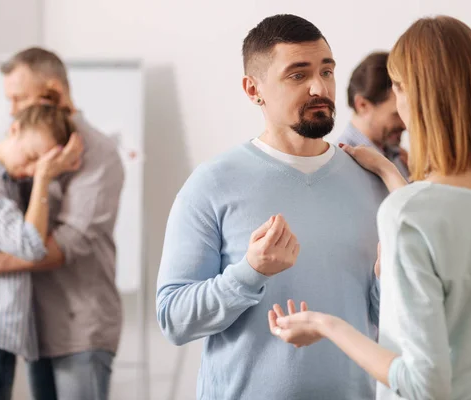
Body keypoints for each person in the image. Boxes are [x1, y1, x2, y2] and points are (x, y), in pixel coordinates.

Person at [270, 15, 471, 400]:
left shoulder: (408, 214)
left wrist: (325, 324)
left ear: (411, 94)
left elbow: (423, 386)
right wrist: (389, 172)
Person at [156, 14, 386, 400]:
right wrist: (249, 273)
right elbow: (173, 319)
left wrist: (387, 283)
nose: (319, 87)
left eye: (326, 71)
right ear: (253, 89)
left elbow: (379, 321)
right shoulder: (211, 184)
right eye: (298, 75)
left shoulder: (369, 180)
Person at [0, 47, 125, 400]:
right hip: (32, 326)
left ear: (52, 92)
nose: (11, 109)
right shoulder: (24, 142)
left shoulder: (97, 153)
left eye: (18, 98)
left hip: (79, 326)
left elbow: (69, 241)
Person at [0, 98, 81, 400]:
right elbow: (31, 246)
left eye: (42, 166)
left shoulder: (6, 183)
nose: (32, 170)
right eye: (32, 157)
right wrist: (45, 176)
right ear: (14, 129)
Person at [338, 51, 409, 179]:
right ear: (362, 105)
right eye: (396, 114)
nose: (405, 125)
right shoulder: (340, 165)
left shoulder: (401, 158)